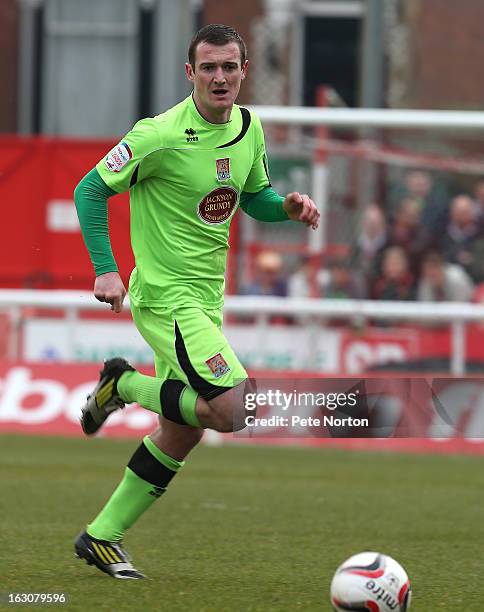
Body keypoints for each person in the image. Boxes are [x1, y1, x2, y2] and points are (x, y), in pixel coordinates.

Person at [73, 23, 319, 580]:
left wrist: (287, 206)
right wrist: (107, 271)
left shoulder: (250, 127)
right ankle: (125, 384)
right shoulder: (156, 134)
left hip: (207, 299)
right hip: (166, 297)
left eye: (229, 67)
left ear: (243, 71)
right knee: (233, 407)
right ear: (190, 74)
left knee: (184, 428)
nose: (220, 77)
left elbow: (251, 196)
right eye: (208, 67)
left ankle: (100, 537)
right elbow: (89, 190)